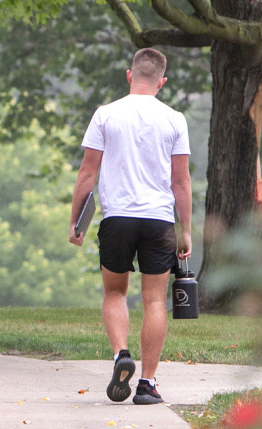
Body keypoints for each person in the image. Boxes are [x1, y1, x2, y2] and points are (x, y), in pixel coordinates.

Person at [69, 48, 192, 405]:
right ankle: (148, 384)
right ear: (162, 82)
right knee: (154, 299)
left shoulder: (106, 114)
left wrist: (75, 221)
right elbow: (181, 182)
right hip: (158, 220)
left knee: (114, 293)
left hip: (117, 218)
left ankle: (121, 354)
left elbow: (87, 173)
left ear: (129, 75)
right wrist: (185, 231)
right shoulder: (175, 119)